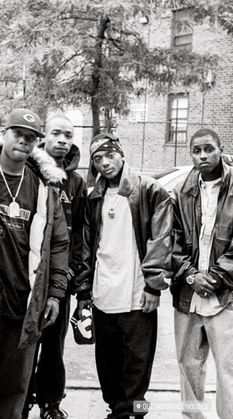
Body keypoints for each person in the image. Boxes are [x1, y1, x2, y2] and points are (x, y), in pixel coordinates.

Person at [71, 132, 173, 419]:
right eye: (97, 159)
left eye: (109, 155)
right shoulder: (94, 197)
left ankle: (137, 412)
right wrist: (84, 292)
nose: (105, 163)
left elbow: (162, 238)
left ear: (122, 154)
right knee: (108, 362)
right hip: (104, 292)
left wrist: (154, 286)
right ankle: (117, 410)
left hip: (138, 294)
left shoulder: (150, 190)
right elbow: (89, 245)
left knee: (138, 365)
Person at [0, 108, 69, 419]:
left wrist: (54, 293)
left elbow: (58, 242)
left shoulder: (43, 188)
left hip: (23, 304)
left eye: (31, 138)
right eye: (18, 134)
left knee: (14, 387)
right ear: (5, 133)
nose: (24, 142)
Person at [22, 113, 86, 419]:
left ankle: (50, 401)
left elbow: (81, 232)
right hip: (30, 272)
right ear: (44, 137)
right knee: (23, 341)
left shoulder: (76, 182)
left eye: (69, 135)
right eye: (57, 133)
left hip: (61, 276)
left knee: (53, 344)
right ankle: (20, 398)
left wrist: (73, 269)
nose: (62, 140)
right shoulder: (30, 172)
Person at [171, 128, 233, 419]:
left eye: (208, 149)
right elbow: (169, 240)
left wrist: (216, 277)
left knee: (229, 369)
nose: (202, 156)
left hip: (226, 295)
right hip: (188, 295)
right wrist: (190, 275)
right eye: (196, 151)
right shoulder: (182, 191)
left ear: (221, 149)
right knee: (188, 367)